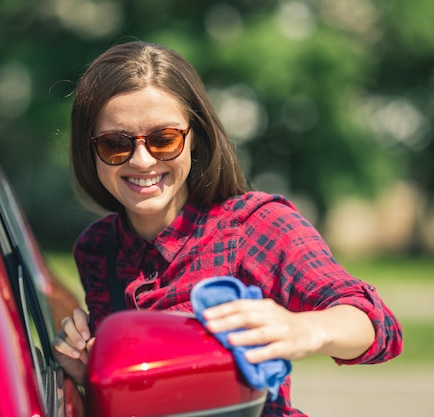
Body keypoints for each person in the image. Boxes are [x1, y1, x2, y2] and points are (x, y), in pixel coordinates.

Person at [53, 40, 403, 416]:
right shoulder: (95, 248)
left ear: (195, 139)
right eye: (115, 144)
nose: (142, 160)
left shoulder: (255, 226)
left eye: (163, 139)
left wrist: (303, 330)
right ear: (91, 151)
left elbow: (376, 325)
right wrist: (87, 374)